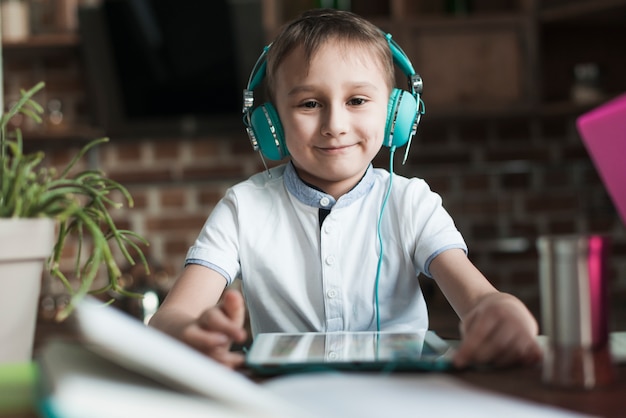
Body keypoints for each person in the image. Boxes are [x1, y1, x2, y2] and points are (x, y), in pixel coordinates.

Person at [149, 8, 542, 370]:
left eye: (356, 100)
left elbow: (478, 298)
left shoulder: (412, 202)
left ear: (394, 113)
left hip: (402, 398)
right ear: (270, 123)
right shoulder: (244, 207)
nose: (334, 124)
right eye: (308, 104)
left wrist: (500, 310)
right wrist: (189, 334)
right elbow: (170, 318)